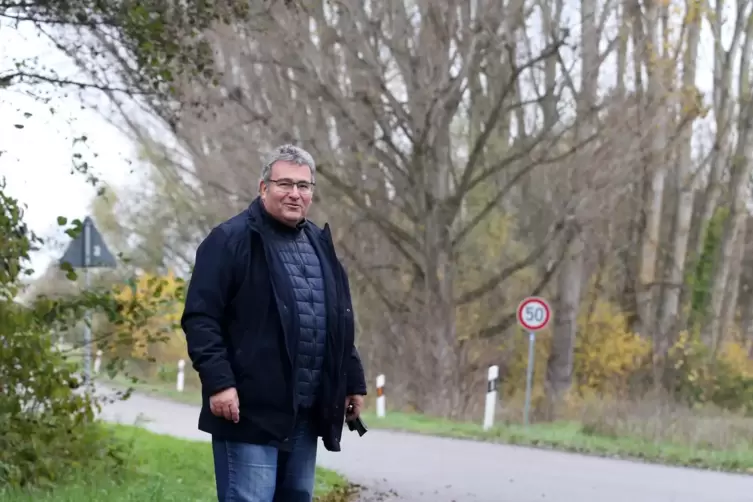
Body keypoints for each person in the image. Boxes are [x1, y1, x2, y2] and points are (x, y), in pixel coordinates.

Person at [181, 144, 368, 502]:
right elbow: (201, 318)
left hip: (305, 411)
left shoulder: (319, 244)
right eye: (285, 184)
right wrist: (220, 383)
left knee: (296, 496)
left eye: (304, 186)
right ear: (263, 187)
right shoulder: (229, 241)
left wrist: (352, 381)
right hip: (248, 411)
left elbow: (335, 322)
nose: (295, 193)